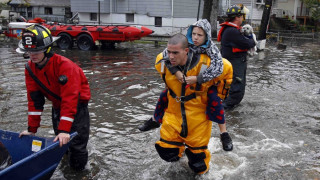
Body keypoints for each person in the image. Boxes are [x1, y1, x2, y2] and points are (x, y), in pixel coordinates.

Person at [139, 19, 234, 151]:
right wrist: (176, 72)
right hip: (181, 88)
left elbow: (218, 68)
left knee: (215, 101)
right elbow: (166, 56)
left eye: (200, 35)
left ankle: (224, 133)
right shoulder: (184, 44)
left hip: (205, 82)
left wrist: (198, 78)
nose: (195, 37)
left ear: (206, 36)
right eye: (194, 34)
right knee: (165, 95)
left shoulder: (211, 49)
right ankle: (155, 119)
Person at [152, 34, 233, 174]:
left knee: (198, 165)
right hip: (174, 113)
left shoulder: (211, 64)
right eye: (169, 52)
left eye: (175, 53)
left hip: (198, 116)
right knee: (166, 152)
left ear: (186, 51)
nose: (170, 56)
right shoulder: (162, 61)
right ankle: (178, 150)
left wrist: (218, 97)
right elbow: (166, 80)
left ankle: (222, 135)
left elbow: (226, 74)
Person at [16, 24, 91, 171]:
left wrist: (64, 129)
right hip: (57, 106)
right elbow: (34, 101)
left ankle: (79, 173)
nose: (33, 55)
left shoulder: (66, 67)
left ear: (47, 48)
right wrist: (32, 129)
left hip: (77, 108)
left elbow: (71, 99)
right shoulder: (30, 69)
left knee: (77, 147)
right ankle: (65, 163)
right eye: (29, 51)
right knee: (61, 142)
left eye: (37, 50)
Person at [217, 4, 256, 110]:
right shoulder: (232, 31)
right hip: (235, 62)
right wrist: (252, 39)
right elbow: (248, 44)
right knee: (237, 84)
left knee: (238, 84)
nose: (243, 19)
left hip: (236, 61)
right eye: (242, 16)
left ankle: (231, 106)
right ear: (237, 17)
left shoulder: (231, 30)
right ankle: (226, 107)